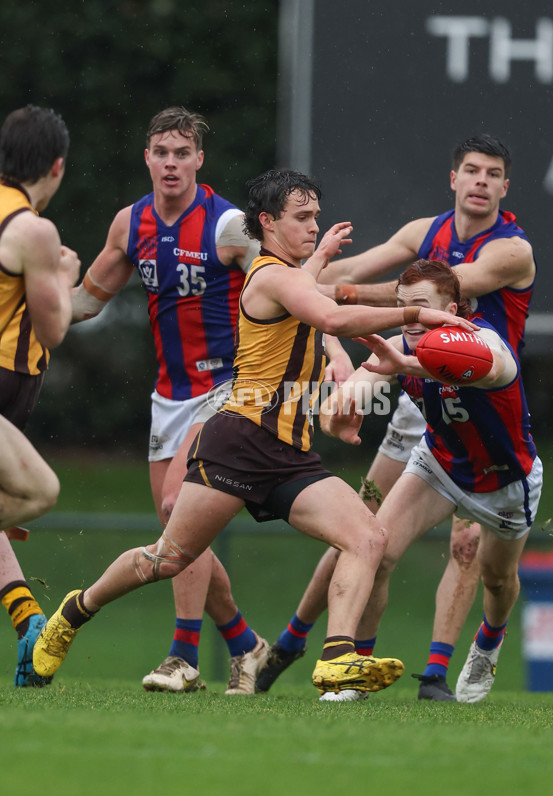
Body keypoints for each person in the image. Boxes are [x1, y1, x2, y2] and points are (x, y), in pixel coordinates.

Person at [33, 168, 475, 695]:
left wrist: (319, 257)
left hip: (290, 452)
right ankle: (74, 611)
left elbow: (309, 290)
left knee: (368, 536)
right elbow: (331, 318)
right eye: (303, 218)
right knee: (167, 558)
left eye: (317, 216)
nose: (314, 225)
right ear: (267, 222)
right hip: (240, 440)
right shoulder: (269, 276)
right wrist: (416, 313)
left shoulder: (290, 273)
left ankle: (336, 658)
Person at [255, 134, 536, 701]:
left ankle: (486, 640)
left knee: (494, 576)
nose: (480, 181)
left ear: (505, 187)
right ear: (453, 178)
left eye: (493, 173)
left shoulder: (510, 257)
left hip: (495, 437)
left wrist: (348, 300)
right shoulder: (419, 244)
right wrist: (301, 282)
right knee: (368, 538)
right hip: (434, 432)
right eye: (471, 170)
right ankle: (350, 668)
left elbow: (448, 295)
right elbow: (374, 362)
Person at [70, 106, 279, 695]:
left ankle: (182, 657)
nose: (170, 163)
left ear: (199, 162)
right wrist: (28, 301)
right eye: (161, 152)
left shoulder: (229, 225)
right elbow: (86, 303)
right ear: (147, 157)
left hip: (227, 387)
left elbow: (286, 284)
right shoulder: (129, 224)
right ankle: (246, 645)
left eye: (182, 153)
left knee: (173, 508)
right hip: (169, 396)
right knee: (177, 532)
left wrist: (332, 351)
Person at [320, 258, 543, 703]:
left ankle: (488, 642)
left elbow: (489, 366)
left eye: (422, 307)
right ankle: (356, 676)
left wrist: (407, 362)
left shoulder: (483, 341)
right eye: (405, 308)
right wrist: (337, 411)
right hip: (438, 463)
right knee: (377, 550)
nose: (413, 318)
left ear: (454, 310)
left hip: (503, 480)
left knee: (497, 581)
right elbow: (360, 386)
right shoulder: (400, 345)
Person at [0, 104, 81, 686]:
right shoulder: (33, 228)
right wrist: (65, 275)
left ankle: (28, 625)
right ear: (55, 167)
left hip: (10, 394)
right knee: (40, 490)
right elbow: (54, 329)